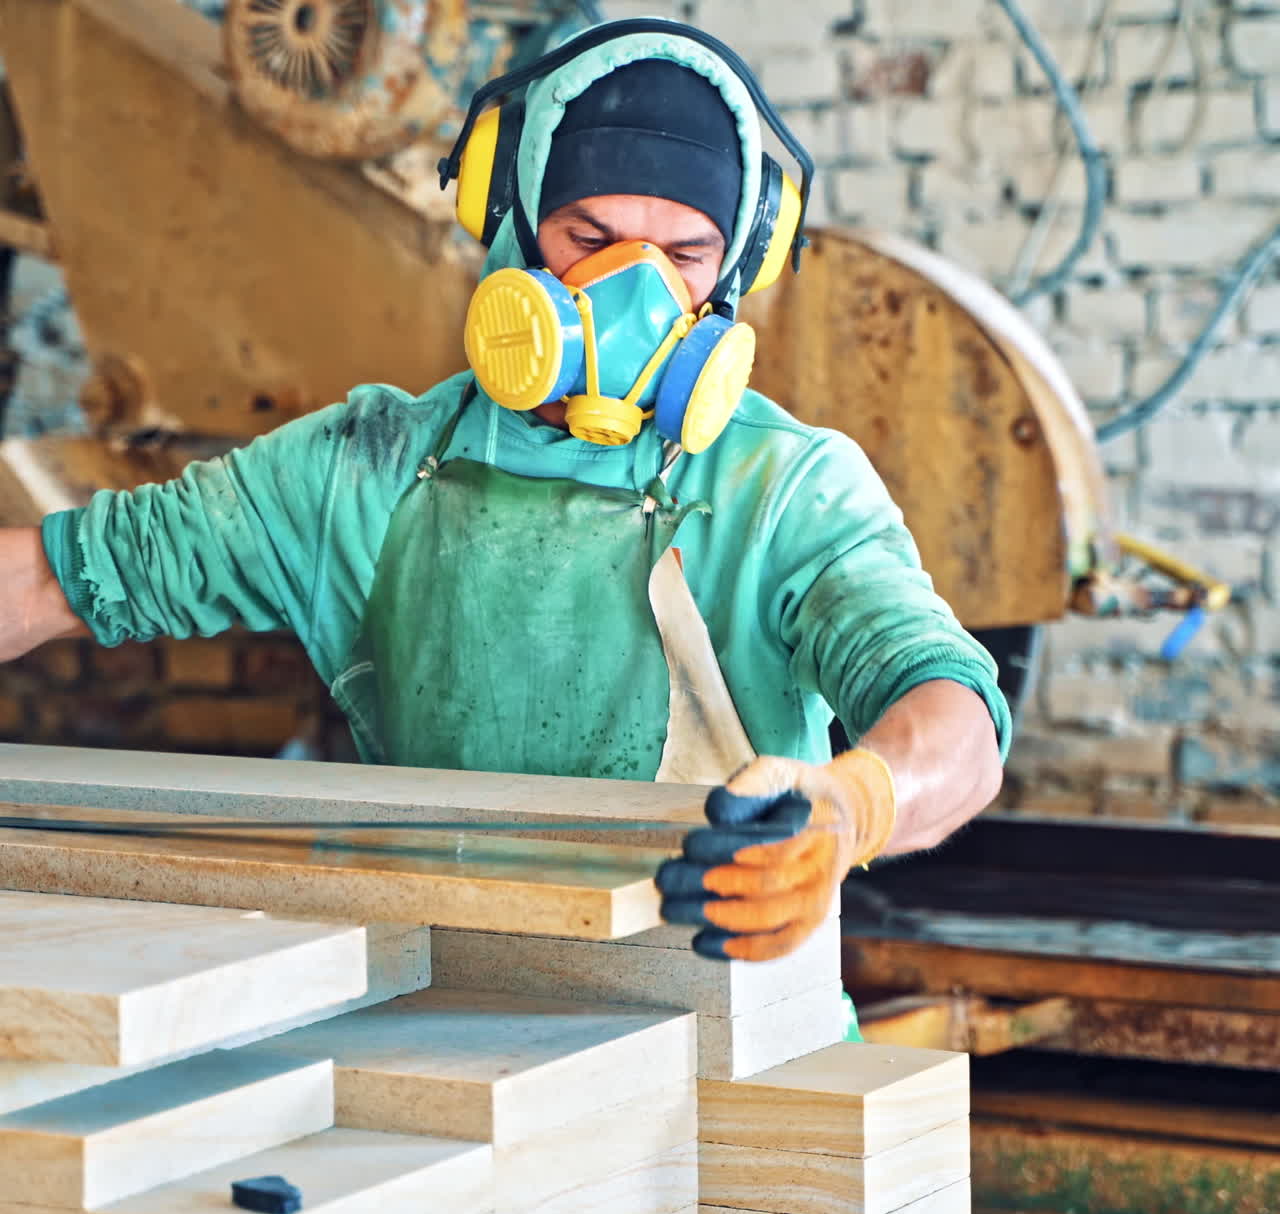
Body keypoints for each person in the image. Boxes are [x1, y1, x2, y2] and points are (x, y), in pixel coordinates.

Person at [0, 18, 1009, 964]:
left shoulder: (783, 487)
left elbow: (952, 714)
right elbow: (53, 578)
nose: (630, 290)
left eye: (682, 256)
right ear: (510, 223)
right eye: (587, 237)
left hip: (722, 1030)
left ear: (734, 272)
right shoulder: (364, 467)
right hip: (445, 1013)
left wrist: (849, 809)